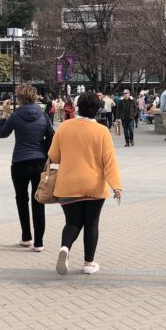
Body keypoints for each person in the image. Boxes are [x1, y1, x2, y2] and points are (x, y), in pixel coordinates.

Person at [48, 91, 122, 275]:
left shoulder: (64, 127)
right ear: (97, 110)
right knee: (91, 223)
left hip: (67, 184)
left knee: (72, 222)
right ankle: (89, 263)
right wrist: (116, 186)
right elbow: (109, 161)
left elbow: (53, 156)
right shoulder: (102, 131)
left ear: (78, 107)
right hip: (93, 185)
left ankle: (65, 248)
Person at [0, 84, 54, 251]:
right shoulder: (43, 116)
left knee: (21, 199)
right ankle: (39, 242)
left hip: (20, 162)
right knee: (38, 200)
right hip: (39, 162)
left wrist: (4, 113)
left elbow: (1, 133)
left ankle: (26, 237)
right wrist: (43, 151)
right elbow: (52, 136)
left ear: (20, 99)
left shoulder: (15, 116)